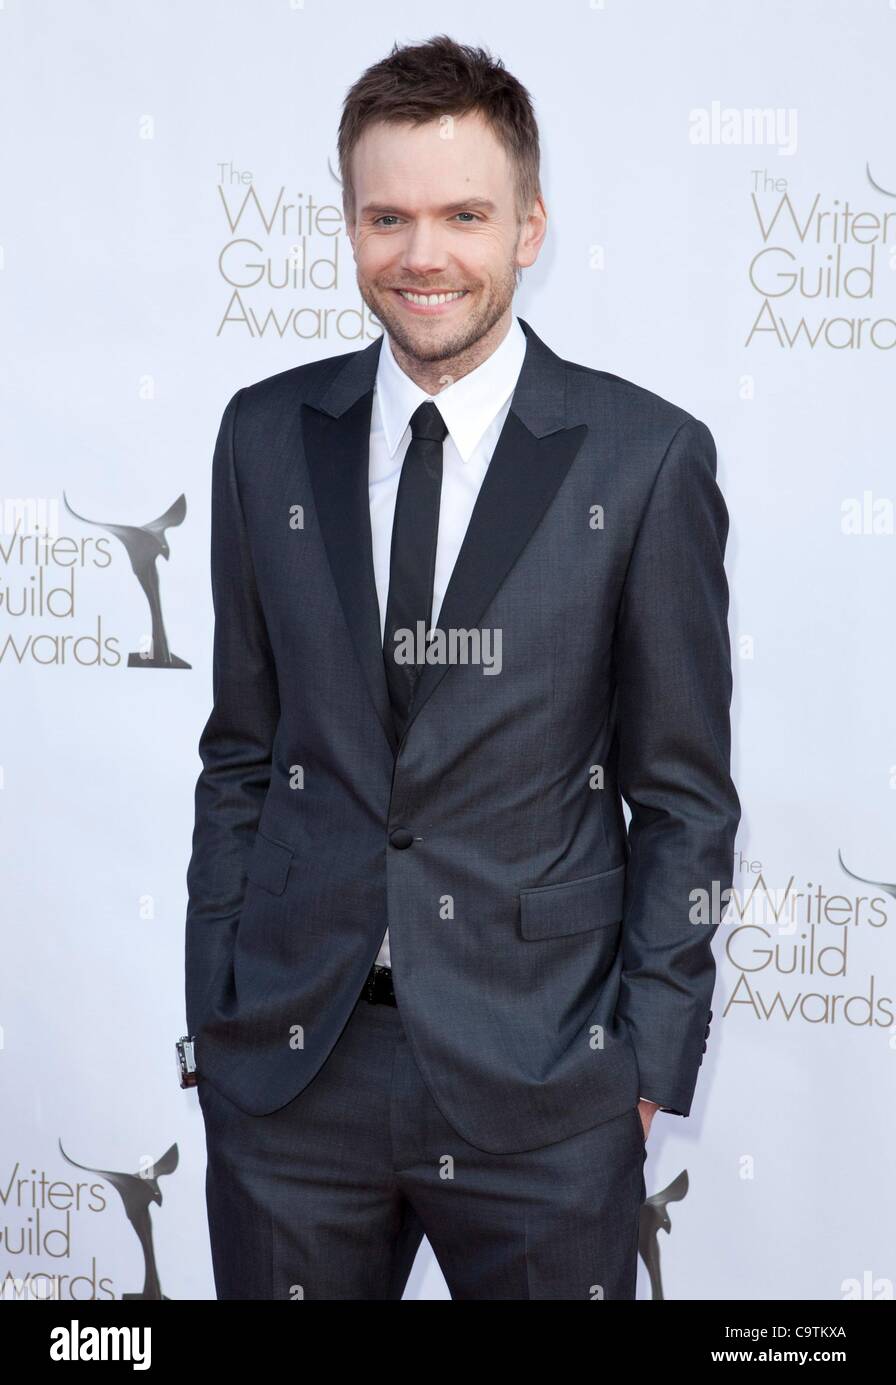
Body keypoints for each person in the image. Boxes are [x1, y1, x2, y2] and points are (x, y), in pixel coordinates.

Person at [184, 34, 740, 1300]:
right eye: (387, 216)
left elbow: (684, 797)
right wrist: (216, 1010)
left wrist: (645, 1061)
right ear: (348, 221)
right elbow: (242, 752)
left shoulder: (643, 461)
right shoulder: (263, 436)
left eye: (461, 215)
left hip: (544, 1081)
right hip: (290, 1076)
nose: (420, 254)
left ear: (529, 225)